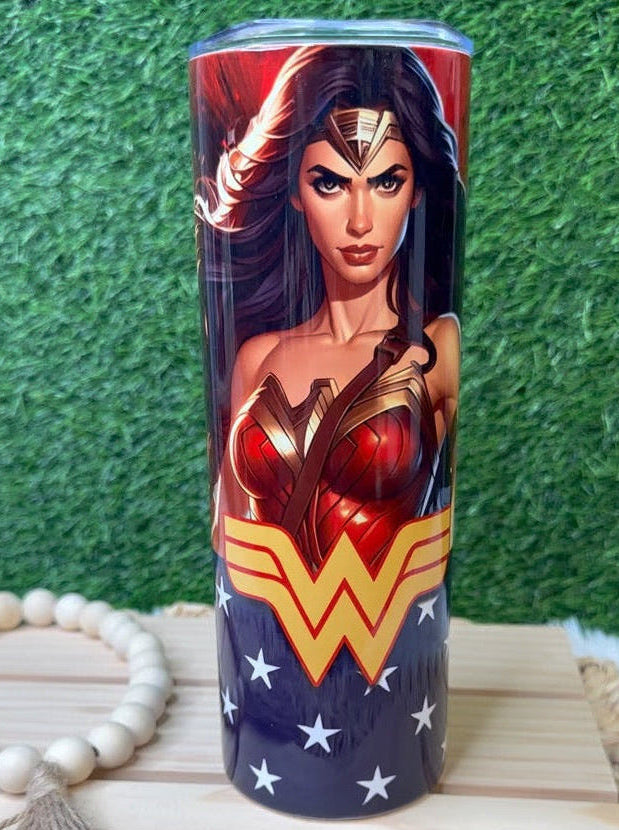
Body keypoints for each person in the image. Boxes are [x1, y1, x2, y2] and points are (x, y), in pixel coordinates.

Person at [195, 44, 463, 573]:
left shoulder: (437, 347)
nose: (360, 220)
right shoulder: (259, 357)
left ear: (417, 191)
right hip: (261, 616)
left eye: (386, 182)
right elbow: (229, 530)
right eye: (331, 183)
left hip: (391, 618)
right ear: (296, 192)